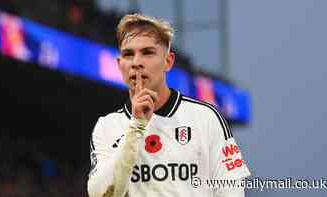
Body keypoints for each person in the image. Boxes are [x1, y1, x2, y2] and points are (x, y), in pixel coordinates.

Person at [87, 13, 251, 197]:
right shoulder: (107, 126)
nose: (136, 62)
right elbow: (100, 194)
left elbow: (232, 191)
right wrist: (136, 127)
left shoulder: (206, 118)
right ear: (119, 64)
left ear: (168, 61)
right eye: (128, 54)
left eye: (147, 53)